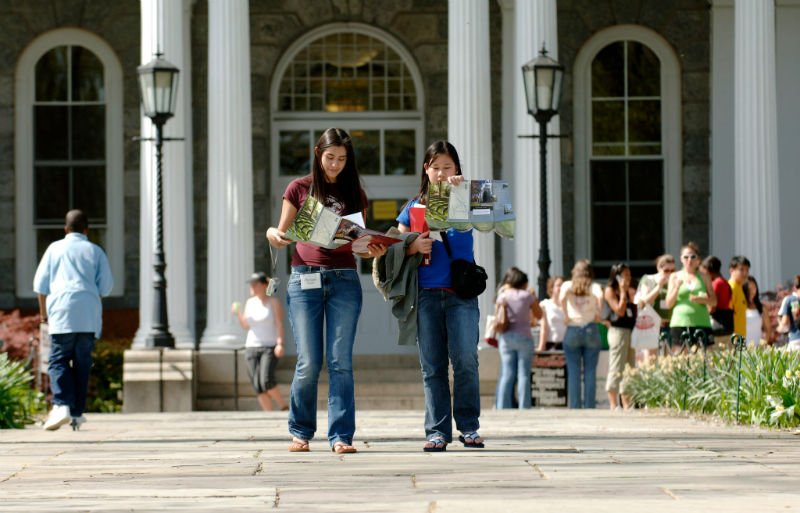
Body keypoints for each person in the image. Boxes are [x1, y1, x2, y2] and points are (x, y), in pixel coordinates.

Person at [266, 128, 386, 454]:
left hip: (344, 280)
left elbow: (356, 243)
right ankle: (300, 431)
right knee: (308, 360)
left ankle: (341, 436)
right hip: (305, 278)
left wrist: (370, 250)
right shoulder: (298, 188)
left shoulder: (355, 192)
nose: (335, 165)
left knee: (340, 361)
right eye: (330, 157)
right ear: (318, 153)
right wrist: (273, 234)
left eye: (342, 159)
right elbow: (281, 232)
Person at [396, 140, 483, 452]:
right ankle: (437, 431)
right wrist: (412, 246)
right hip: (426, 295)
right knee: (432, 366)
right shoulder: (413, 206)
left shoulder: (467, 198)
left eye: (448, 167)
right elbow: (394, 243)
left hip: (461, 294)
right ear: (426, 170)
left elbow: (496, 220)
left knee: (466, 360)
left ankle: (469, 426)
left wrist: (464, 192)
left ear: (457, 169)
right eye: (436, 167)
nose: (443, 173)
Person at [33, 210, 113, 431]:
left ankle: (61, 405)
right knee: (82, 362)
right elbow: (105, 287)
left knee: (58, 359)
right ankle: (77, 413)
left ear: (66, 229)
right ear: (87, 230)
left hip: (61, 310)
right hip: (88, 313)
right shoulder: (95, 251)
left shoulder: (54, 249)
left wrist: (43, 316)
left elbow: (40, 285)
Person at [233, 272, 288, 411]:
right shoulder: (250, 303)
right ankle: (268, 414)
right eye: (251, 284)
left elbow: (279, 323)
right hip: (251, 346)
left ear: (264, 285)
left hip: (269, 346)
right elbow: (246, 326)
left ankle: (284, 407)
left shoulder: (273, 302)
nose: (252, 286)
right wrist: (238, 314)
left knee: (266, 380)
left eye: (255, 283)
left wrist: (280, 343)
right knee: (257, 384)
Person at [494, 267, 542, 409]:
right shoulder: (527, 296)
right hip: (524, 337)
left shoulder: (503, 295)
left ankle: (502, 407)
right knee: (523, 375)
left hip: (506, 337)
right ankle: (524, 407)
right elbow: (540, 315)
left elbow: (497, 315)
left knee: (507, 374)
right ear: (523, 282)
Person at [559, 259, 603, 409]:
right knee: (590, 371)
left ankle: (575, 406)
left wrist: (565, 314)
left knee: (574, 371)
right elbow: (600, 297)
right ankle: (590, 406)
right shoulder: (594, 286)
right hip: (590, 327)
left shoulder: (567, 285)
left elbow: (561, 298)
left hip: (572, 328)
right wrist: (598, 313)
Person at [665, 242, 716, 349]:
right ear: (681, 259)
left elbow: (714, 301)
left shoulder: (704, 276)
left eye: (693, 256)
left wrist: (701, 299)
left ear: (698, 259)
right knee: (681, 360)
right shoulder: (674, 276)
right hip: (680, 322)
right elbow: (668, 304)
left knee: (703, 361)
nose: (689, 260)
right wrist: (676, 287)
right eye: (686, 257)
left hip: (701, 322)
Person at [603, 263, 637, 411]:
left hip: (630, 331)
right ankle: (613, 404)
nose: (628, 277)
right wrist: (623, 292)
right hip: (617, 331)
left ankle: (627, 403)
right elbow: (620, 311)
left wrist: (631, 294)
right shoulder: (610, 290)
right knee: (617, 365)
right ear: (617, 276)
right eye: (625, 275)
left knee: (629, 367)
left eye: (629, 274)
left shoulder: (630, 290)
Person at [635, 254, 675, 344]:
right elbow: (645, 301)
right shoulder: (649, 279)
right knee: (651, 357)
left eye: (672, 270)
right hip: (652, 326)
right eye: (666, 270)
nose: (669, 273)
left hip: (670, 326)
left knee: (668, 357)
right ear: (658, 268)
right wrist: (659, 286)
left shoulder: (675, 281)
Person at [700, 256, 733, 348]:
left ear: (708, 270)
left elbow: (711, 308)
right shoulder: (725, 282)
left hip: (716, 325)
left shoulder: (716, 283)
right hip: (727, 325)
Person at [538, 276, 566, 352]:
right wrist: (541, 347)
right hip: (551, 345)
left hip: (567, 346)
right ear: (551, 288)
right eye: (558, 285)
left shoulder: (569, 306)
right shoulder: (545, 304)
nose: (561, 288)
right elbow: (543, 328)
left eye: (563, 285)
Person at [743, 276, 772, 348]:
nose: (752, 291)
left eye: (754, 288)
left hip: (758, 349)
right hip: (742, 349)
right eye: (749, 289)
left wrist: (764, 343)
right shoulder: (740, 308)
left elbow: (768, 329)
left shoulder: (761, 308)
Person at [728, 256, 751, 341]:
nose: (745, 273)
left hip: (740, 338)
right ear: (731, 270)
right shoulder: (731, 287)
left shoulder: (739, 288)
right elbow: (728, 314)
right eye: (741, 270)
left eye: (747, 270)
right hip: (733, 338)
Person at [777, 275, 800, 351]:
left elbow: (784, 322)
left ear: (795, 287)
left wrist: (779, 326)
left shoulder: (789, 300)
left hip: (795, 340)